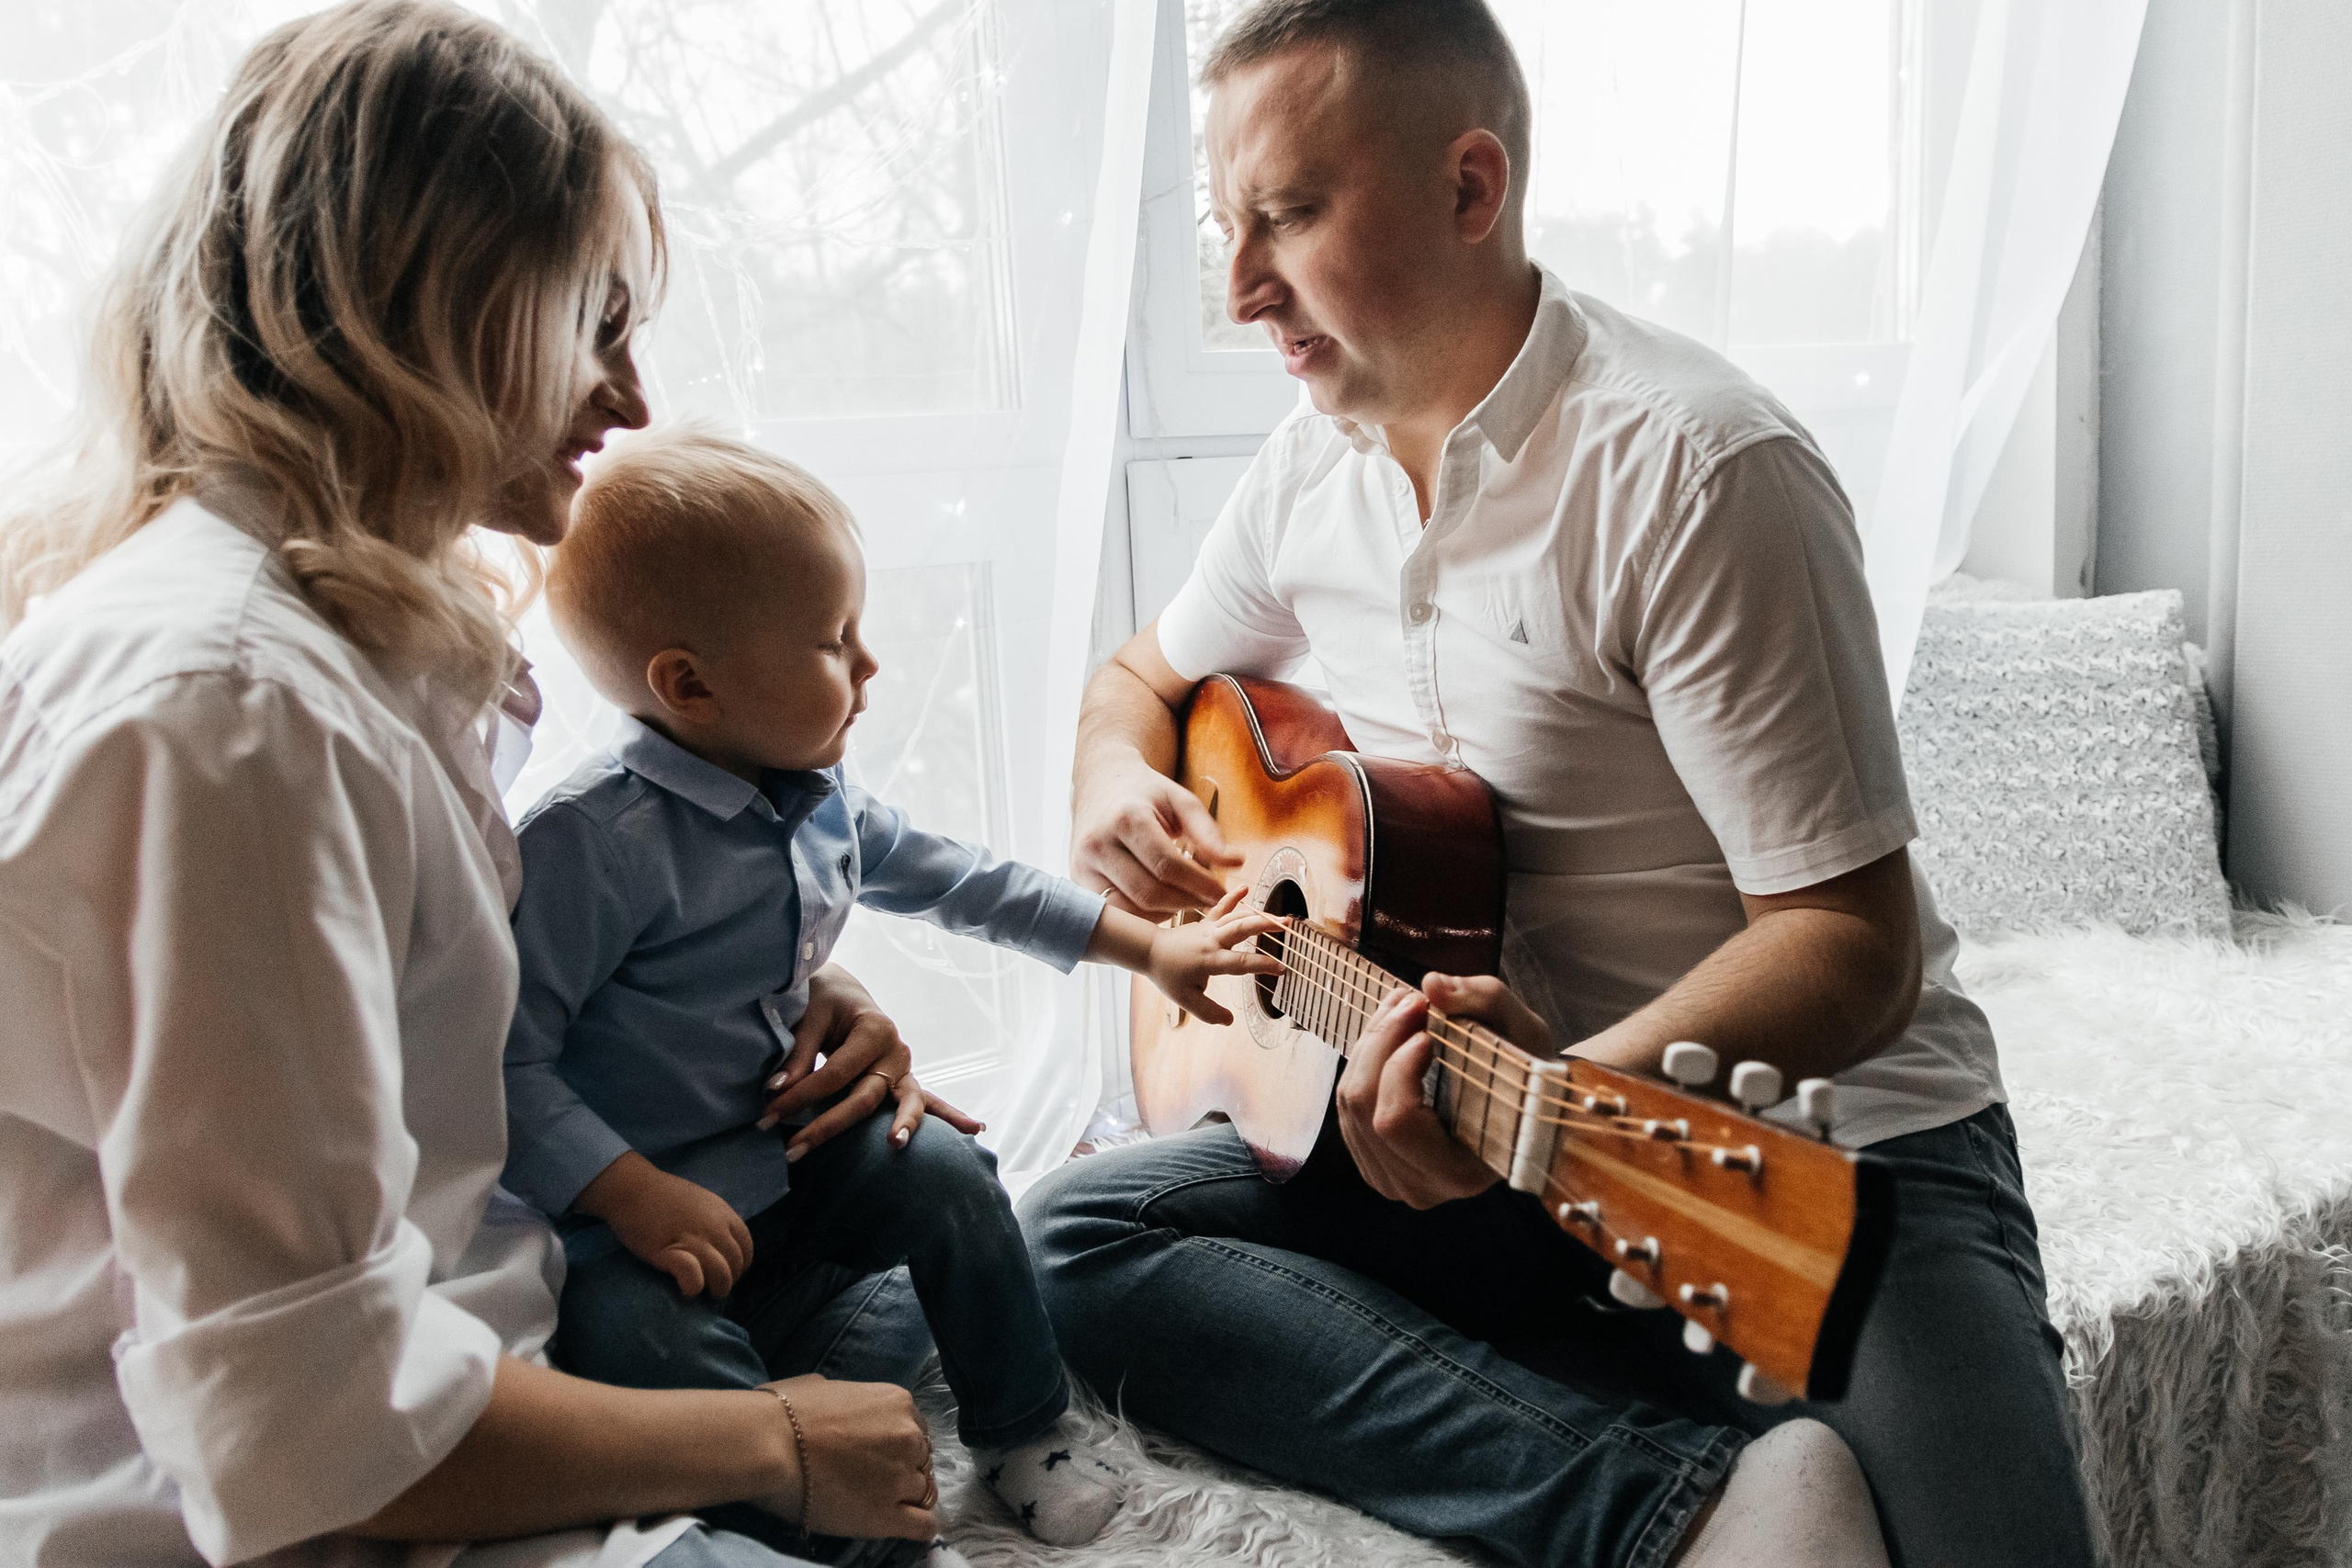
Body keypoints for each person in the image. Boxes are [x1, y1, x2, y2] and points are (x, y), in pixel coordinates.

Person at [1021, 2, 2097, 1566]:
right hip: (1477, 1130)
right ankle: (1668, 1507)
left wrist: (1571, 1108)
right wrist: (1111, 776)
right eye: (1226, 226)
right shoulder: (1302, 475)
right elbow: (1135, 681)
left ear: (1473, 188)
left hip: (1809, 1145)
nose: (1242, 285)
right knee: (1073, 1236)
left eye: (1291, 215)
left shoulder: (1703, 471)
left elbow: (1851, 943)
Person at [0, 6, 951, 1564]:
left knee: (966, 1262)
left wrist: (777, 988)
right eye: (597, 321)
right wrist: (774, 1439)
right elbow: (310, 1435)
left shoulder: (336, 647)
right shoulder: (233, 715)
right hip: (336, 1517)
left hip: (491, 1346)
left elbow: (422, 1048)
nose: (633, 399)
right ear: (442, 305)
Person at [500, 426, 1282, 1562]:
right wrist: (627, 1194)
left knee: (952, 1177)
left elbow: (970, 883)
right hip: (638, 1222)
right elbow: (507, 1062)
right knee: (637, 1345)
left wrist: (1148, 950)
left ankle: (1027, 1432)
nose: (870, 670)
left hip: (786, 1158)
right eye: (833, 644)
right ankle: (807, 1494)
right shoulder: (589, 843)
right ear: (689, 685)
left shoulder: (820, 798)